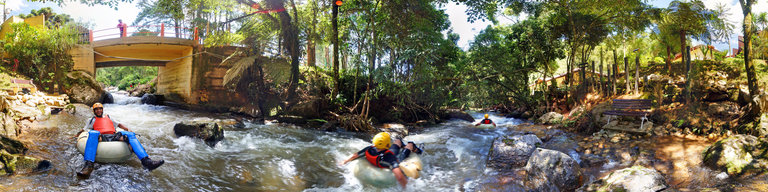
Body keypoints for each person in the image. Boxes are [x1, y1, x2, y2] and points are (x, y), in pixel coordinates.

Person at [77, 103, 165, 178]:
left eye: (100, 109)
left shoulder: (109, 118)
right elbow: (84, 129)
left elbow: (119, 124)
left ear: (102, 110)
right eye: (96, 109)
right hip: (101, 136)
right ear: (94, 111)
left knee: (130, 135)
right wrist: (77, 135)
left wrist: (128, 129)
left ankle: (147, 162)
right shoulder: (91, 120)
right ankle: (88, 166)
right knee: (93, 133)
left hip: (114, 135)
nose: (98, 111)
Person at [339, 132, 422, 189]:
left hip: (382, 153)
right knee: (410, 144)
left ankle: (401, 144)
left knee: (398, 141)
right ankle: (418, 150)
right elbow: (400, 177)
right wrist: (406, 188)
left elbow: (355, 155)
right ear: (387, 144)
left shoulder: (369, 149)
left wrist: (345, 161)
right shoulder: (390, 158)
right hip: (396, 159)